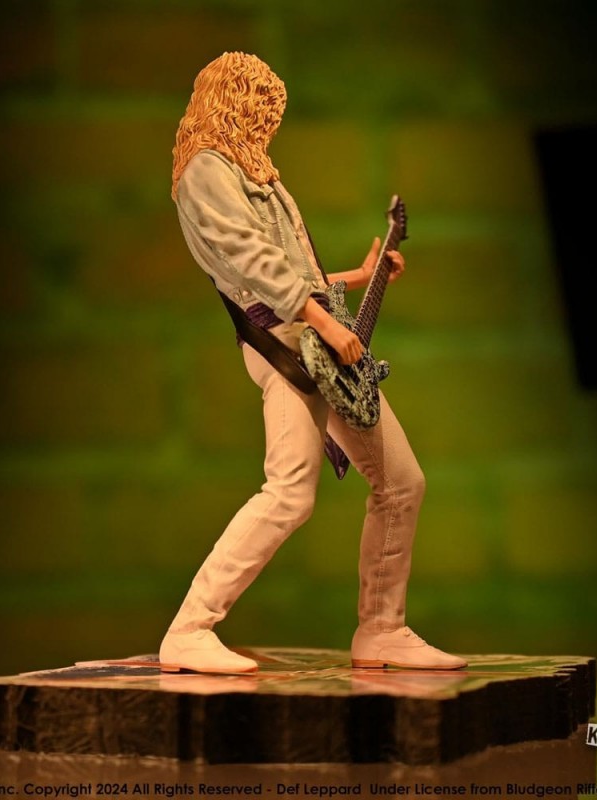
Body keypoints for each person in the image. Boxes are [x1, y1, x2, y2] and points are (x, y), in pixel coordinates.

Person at [159, 52, 466, 674]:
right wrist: (325, 323)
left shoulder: (256, 174)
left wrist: (357, 277)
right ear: (234, 102)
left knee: (401, 482)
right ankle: (189, 629)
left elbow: (291, 268)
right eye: (261, 109)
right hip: (286, 345)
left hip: (316, 340)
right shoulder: (205, 170)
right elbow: (251, 260)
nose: (267, 124)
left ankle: (382, 629)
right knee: (290, 493)